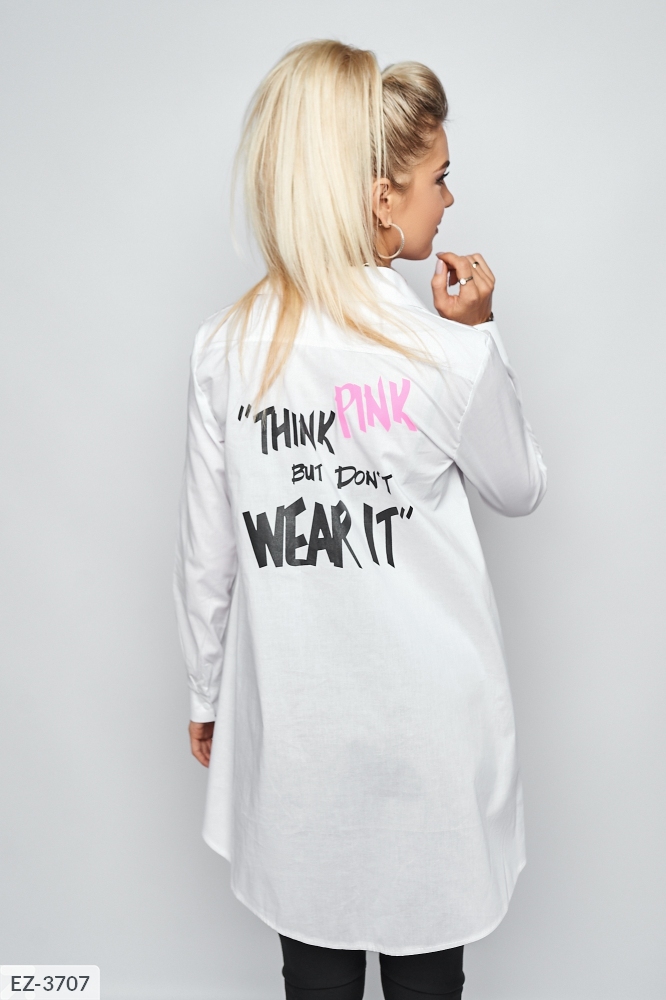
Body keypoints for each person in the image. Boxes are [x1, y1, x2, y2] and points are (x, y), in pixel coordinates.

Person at [173, 39, 547, 1000]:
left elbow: (208, 553)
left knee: (314, 964)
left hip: (299, 722)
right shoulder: (441, 352)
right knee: (428, 971)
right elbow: (518, 485)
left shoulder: (227, 347)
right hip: (430, 733)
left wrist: (207, 691)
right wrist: (480, 336)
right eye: (439, 178)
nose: (448, 201)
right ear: (384, 197)